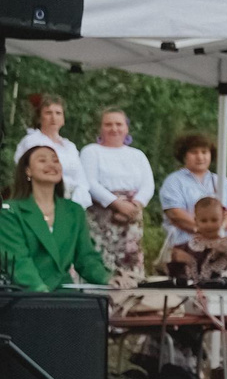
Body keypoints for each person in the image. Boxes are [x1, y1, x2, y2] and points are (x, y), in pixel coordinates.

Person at [0, 139, 108, 290]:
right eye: (42, 160)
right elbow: (18, 260)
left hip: (65, 294)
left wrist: (109, 278)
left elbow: (86, 258)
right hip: (24, 295)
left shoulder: (74, 210)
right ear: (28, 171)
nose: (52, 165)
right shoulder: (9, 211)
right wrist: (42, 293)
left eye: (56, 160)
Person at [77, 107, 154, 288]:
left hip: (131, 215)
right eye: (108, 124)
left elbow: (148, 185)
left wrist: (135, 205)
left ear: (126, 128)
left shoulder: (137, 155)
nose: (114, 129)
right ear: (100, 128)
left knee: (130, 259)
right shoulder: (91, 151)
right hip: (101, 213)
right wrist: (116, 204)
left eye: (119, 124)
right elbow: (89, 182)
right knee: (101, 257)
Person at [157, 132, 227, 258]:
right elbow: (175, 213)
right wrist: (204, 230)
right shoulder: (174, 181)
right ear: (184, 155)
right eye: (194, 152)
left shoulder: (221, 181)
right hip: (185, 247)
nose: (200, 157)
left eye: (204, 152)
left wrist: (220, 227)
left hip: (221, 246)